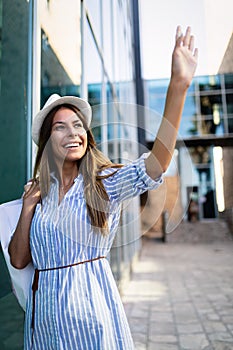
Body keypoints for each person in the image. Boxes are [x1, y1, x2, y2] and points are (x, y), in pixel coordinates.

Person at [8, 26, 198, 349]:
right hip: (43, 326)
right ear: (47, 142)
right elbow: (18, 259)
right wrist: (27, 208)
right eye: (60, 127)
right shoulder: (37, 194)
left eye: (78, 125)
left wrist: (177, 86)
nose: (73, 133)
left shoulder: (103, 183)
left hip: (92, 323)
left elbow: (156, 163)